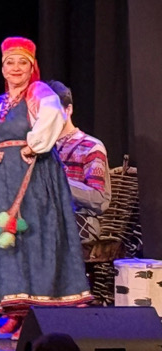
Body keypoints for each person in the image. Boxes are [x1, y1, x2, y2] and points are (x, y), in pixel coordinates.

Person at [0, 37, 91, 339]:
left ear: (31, 67)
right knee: (4, 243)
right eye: (10, 62)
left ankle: (37, 312)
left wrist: (33, 146)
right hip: (0, 180)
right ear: (2, 68)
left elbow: (52, 115)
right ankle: (14, 310)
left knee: (35, 237)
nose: (16, 68)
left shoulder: (38, 92)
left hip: (35, 176)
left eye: (22, 62)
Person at [46, 80, 112, 241]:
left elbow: (99, 199)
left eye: (52, 113)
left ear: (68, 110)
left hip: (81, 221)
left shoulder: (91, 146)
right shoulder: (42, 148)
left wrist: (58, 182)